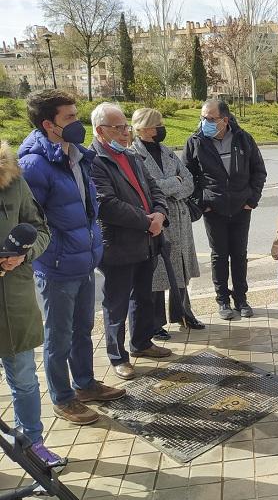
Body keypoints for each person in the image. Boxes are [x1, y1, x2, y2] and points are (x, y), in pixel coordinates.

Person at [18, 90, 125, 426]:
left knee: (82, 329)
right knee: (58, 336)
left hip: (84, 260)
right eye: (69, 118)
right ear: (49, 124)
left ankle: (85, 385)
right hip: (57, 267)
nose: (77, 123)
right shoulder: (34, 164)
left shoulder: (78, 154)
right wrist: (52, 253)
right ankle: (63, 399)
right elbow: (29, 221)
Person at [90, 102, 172, 381]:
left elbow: (155, 189)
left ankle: (142, 342)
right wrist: (147, 220)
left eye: (126, 126)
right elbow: (107, 204)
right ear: (101, 131)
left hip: (147, 240)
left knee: (143, 296)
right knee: (116, 303)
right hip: (119, 245)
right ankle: (117, 356)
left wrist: (160, 214)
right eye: (119, 127)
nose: (126, 132)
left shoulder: (132, 156)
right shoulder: (94, 161)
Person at [0, 140, 65, 466]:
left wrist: (24, 254)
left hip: (14, 301)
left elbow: (41, 229)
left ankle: (32, 445)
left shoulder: (12, 178)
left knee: (24, 379)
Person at [183, 99, 267, 320]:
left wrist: (252, 199)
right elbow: (186, 176)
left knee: (239, 255)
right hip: (214, 209)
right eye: (202, 118)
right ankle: (223, 301)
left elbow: (259, 171)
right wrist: (203, 202)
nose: (205, 122)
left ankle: (241, 299)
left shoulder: (243, 139)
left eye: (210, 119)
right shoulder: (195, 142)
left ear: (225, 120)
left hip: (241, 207)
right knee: (219, 256)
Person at [131, 108, 204, 340]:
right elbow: (146, 187)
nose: (161, 128)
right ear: (142, 128)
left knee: (181, 267)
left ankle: (184, 312)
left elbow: (189, 182)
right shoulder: (133, 154)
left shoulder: (166, 151)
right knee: (157, 272)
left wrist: (169, 185)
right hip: (157, 217)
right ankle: (154, 322)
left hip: (180, 218)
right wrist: (175, 183)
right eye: (156, 125)